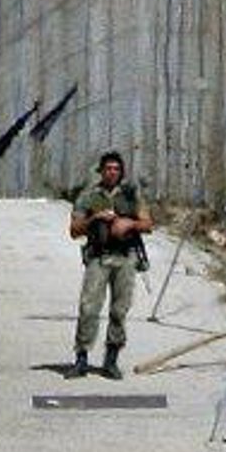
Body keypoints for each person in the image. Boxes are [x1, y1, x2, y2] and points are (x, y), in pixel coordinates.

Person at [69, 152, 154, 380]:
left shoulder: (131, 194)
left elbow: (148, 224)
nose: (112, 172)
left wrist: (129, 224)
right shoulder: (89, 195)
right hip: (99, 257)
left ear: (121, 172)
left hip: (125, 258)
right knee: (88, 308)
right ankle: (81, 358)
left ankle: (111, 360)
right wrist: (94, 218)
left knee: (119, 310)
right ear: (101, 171)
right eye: (108, 168)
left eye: (116, 169)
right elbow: (74, 231)